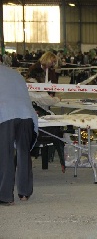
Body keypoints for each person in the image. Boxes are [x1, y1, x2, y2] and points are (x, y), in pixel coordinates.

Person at [0, 65, 38, 206]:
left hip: (5, 114)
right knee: (23, 153)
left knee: (5, 154)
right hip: (26, 114)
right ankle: (25, 193)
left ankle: (5, 197)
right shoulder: (15, 73)